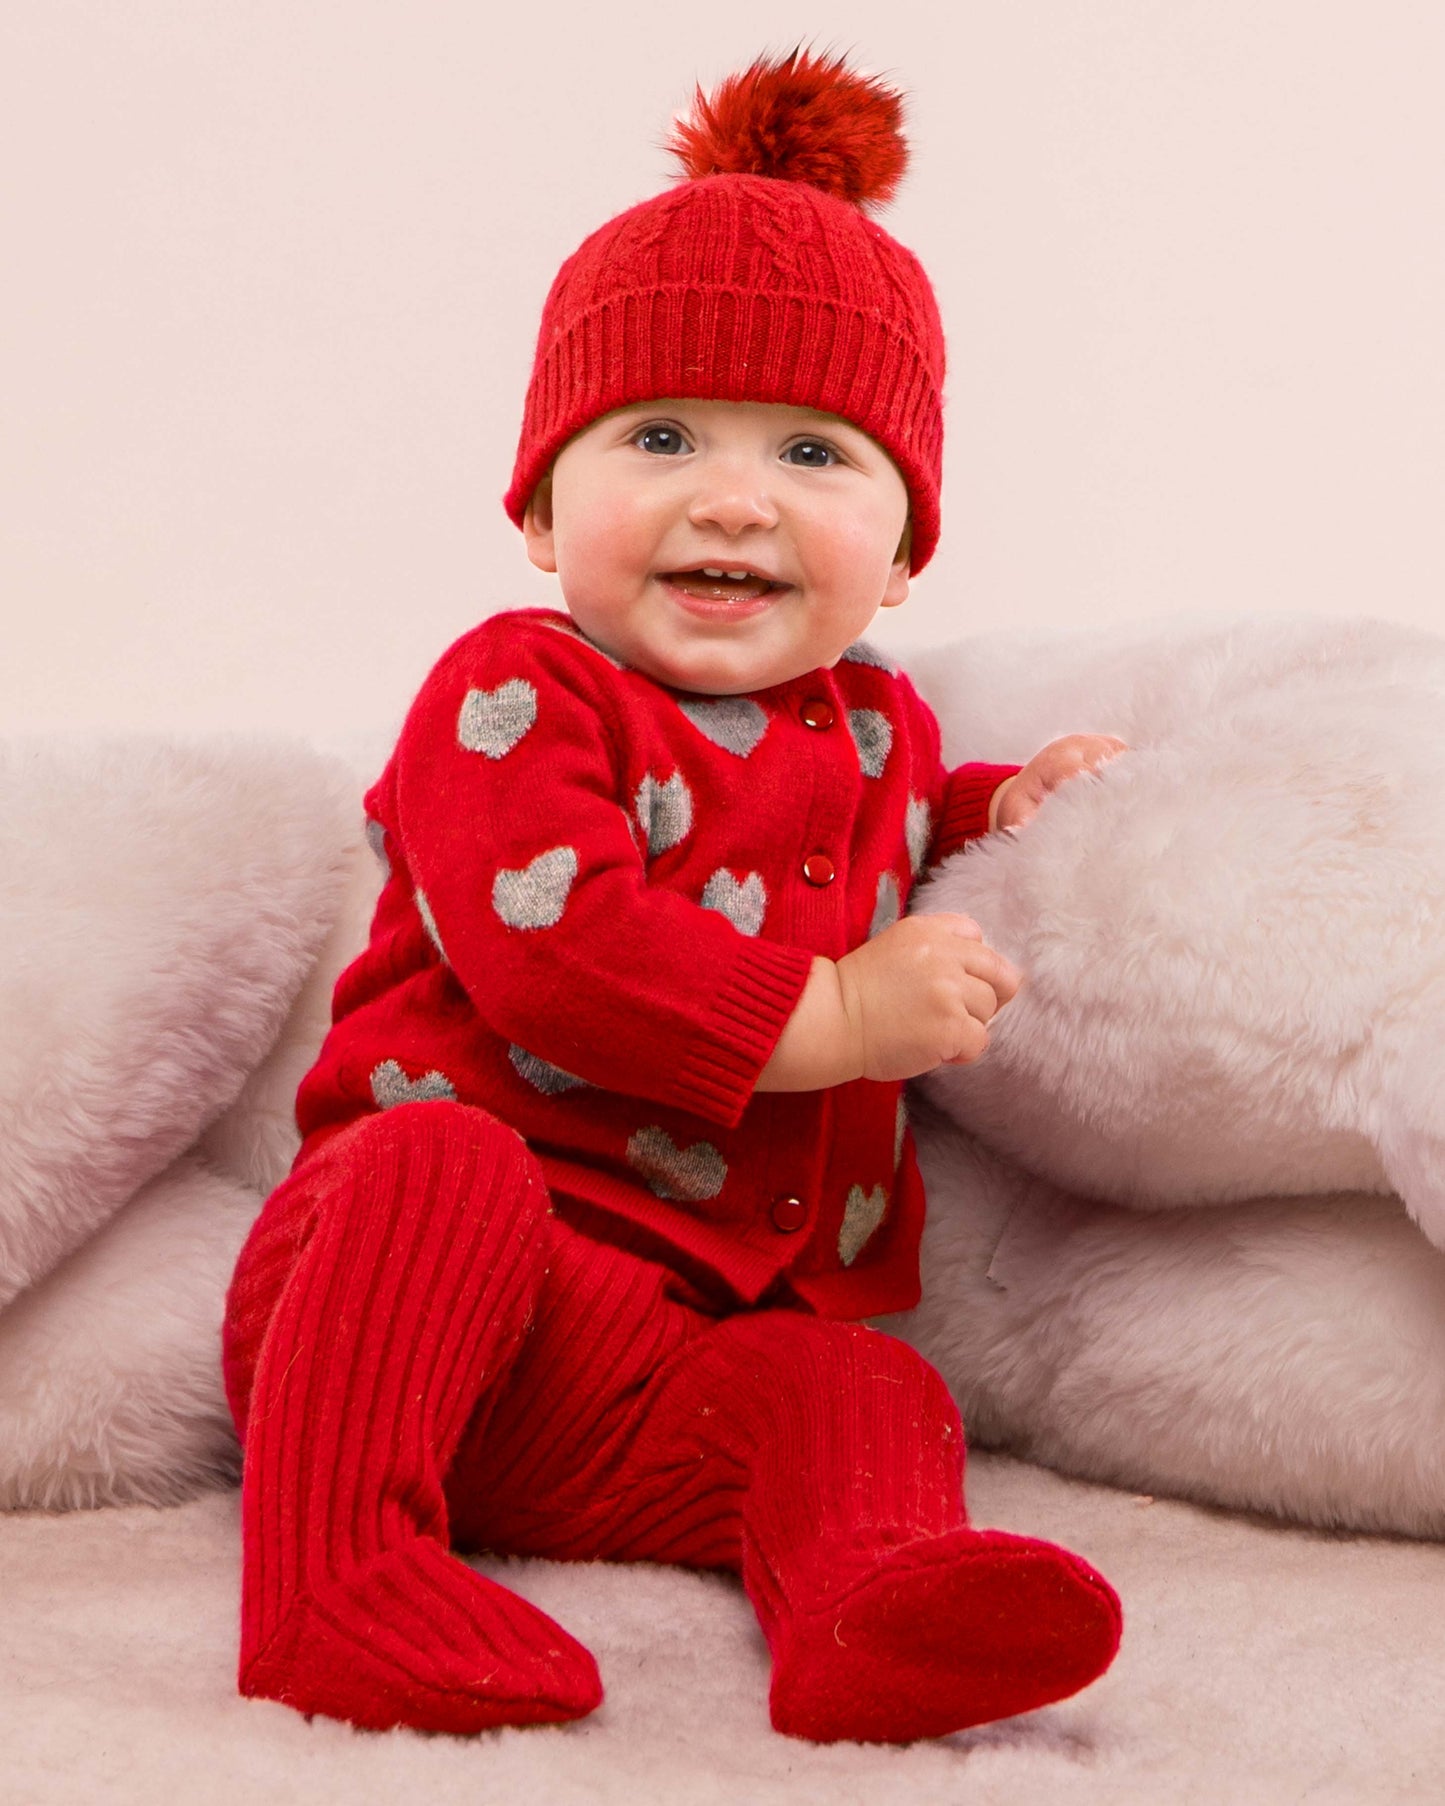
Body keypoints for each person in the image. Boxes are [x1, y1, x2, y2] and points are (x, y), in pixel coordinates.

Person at [222, 47, 1129, 1745]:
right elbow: (559, 950)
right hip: (393, 1326)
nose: (733, 495)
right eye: (658, 437)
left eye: (812, 450)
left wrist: (1000, 811)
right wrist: (847, 1013)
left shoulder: (878, 722)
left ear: (908, 548)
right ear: (540, 506)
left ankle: (863, 1604)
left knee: (858, 1378)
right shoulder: (514, 694)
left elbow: (867, 836)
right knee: (435, 1167)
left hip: (647, 1371)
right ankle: (335, 1569)